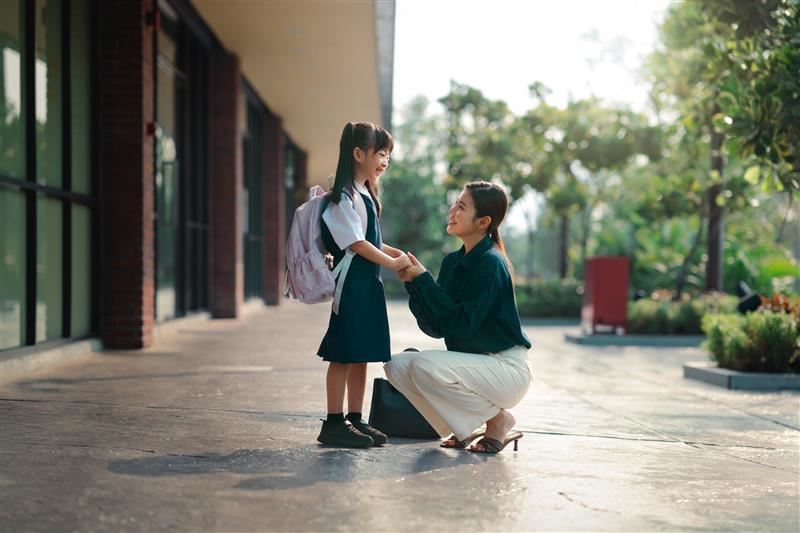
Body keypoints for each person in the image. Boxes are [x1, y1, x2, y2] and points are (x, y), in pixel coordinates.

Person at [385, 181, 532, 454]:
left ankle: (498, 421)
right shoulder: (452, 261)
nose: (453, 210)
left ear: (483, 221)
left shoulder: (491, 263)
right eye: (455, 203)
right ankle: (465, 426)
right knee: (396, 365)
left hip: (505, 368)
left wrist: (425, 281)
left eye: (462, 206)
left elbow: (462, 325)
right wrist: (414, 284)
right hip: (476, 366)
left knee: (424, 364)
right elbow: (437, 328)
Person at [316, 122, 412, 448]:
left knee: (361, 354)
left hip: (368, 284)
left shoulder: (365, 193)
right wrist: (393, 263)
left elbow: (372, 240)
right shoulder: (342, 197)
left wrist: (396, 254)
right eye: (381, 153)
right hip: (352, 285)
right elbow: (356, 243)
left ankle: (355, 420)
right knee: (342, 354)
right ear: (358, 154)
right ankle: (332, 424)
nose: (386, 160)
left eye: (388, 155)